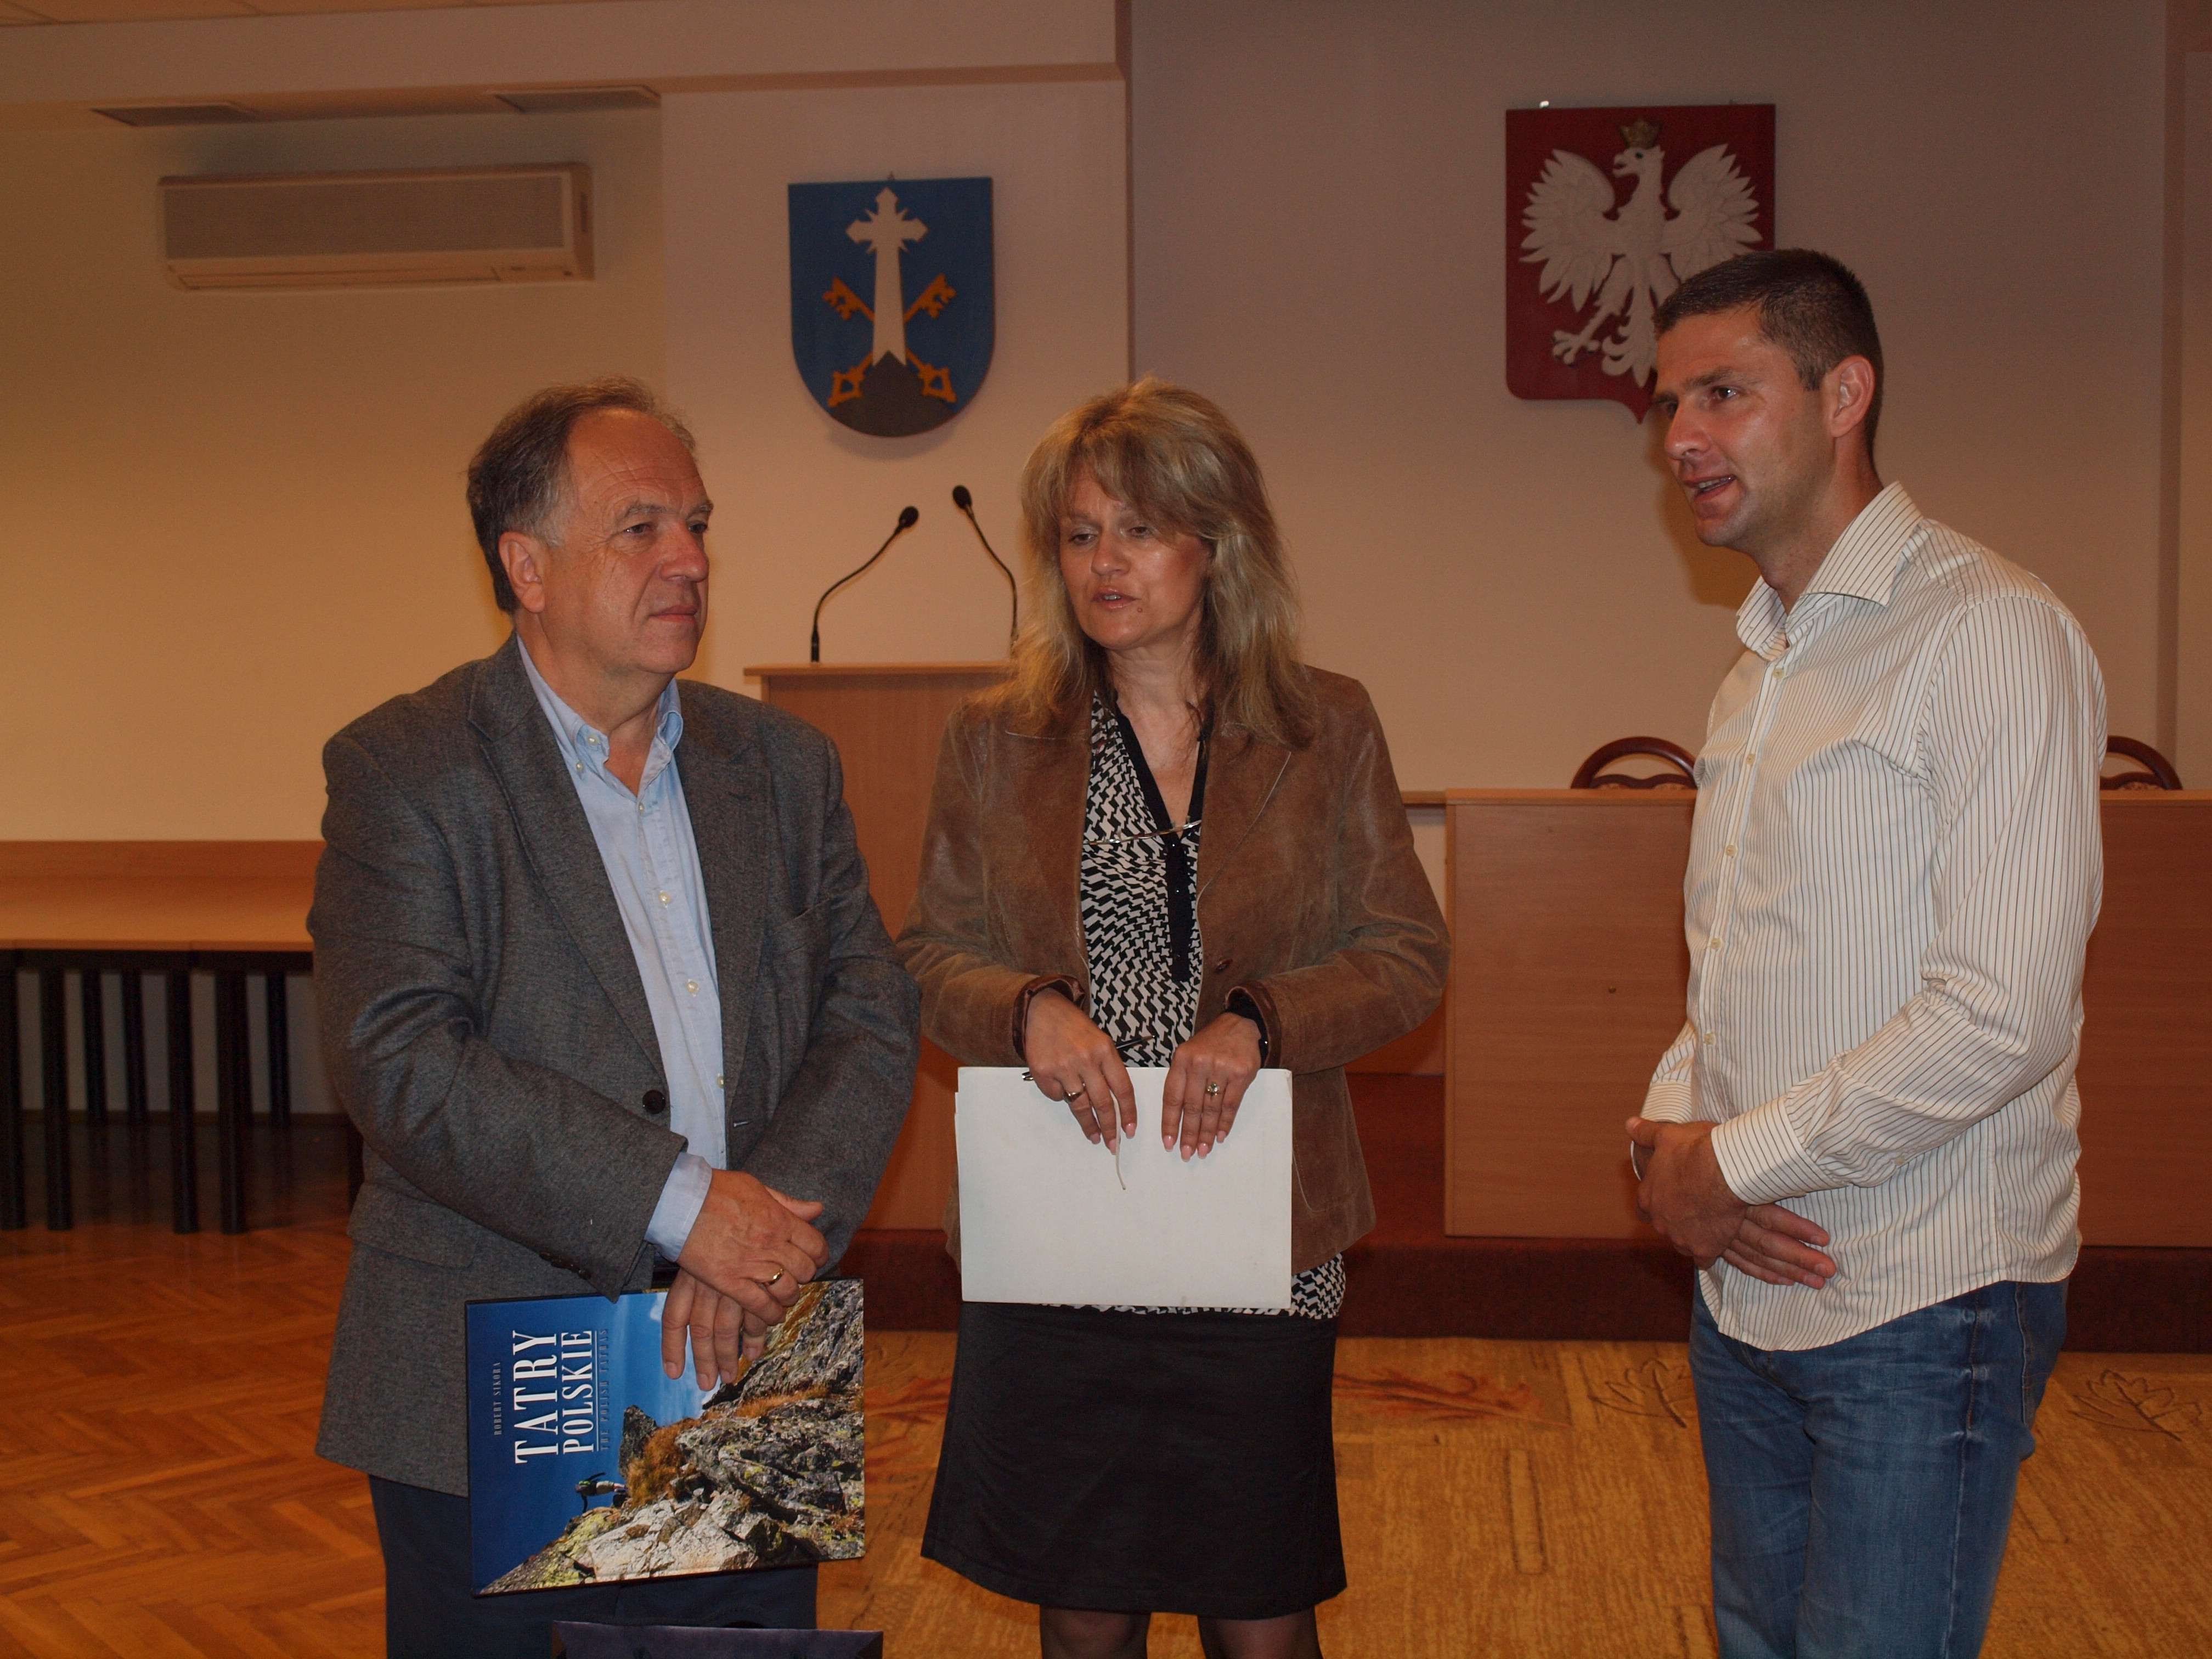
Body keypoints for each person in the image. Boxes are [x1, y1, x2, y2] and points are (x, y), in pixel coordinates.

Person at [308, 378, 919, 1657]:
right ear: (525, 566)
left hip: (745, 1352)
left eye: (697, 525)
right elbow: (401, 1060)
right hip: (502, 1364)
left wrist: (764, 1238)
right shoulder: (407, 769)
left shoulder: (784, 766)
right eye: (640, 528)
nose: (688, 559)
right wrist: (687, 1208)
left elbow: (869, 1009)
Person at [898, 378, 1448, 1659]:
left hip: (1257, 1232)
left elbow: (1408, 955)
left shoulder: (1324, 724)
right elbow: (926, 955)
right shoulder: (996, 738)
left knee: (1258, 1606)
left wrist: (1263, 1020)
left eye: (1140, 530)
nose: (1106, 563)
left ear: (1218, 542)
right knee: (1086, 1604)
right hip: (1061, 1223)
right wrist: (1025, 1009)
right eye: (1081, 534)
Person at [1628, 251, 2104, 1659]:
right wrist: (1675, 1139)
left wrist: (1735, 1162)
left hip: (1923, 1293)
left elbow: (2003, 1012)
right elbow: (1733, 962)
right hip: (1749, 1284)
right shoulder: (1757, 668)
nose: (1681, 438)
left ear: (1845, 395)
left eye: (1724, 393)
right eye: (1668, 405)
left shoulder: (1990, 631)